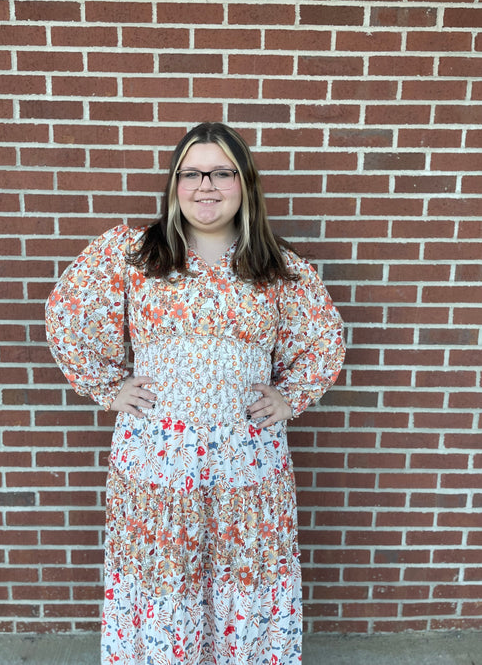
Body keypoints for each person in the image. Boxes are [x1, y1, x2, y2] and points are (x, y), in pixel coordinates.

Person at [45, 122, 345, 665]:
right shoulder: (133, 256)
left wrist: (291, 397)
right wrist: (108, 388)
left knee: (241, 583)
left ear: (245, 183)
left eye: (222, 172)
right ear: (174, 183)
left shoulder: (278, 268)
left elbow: (323, 340)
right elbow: (68, 316)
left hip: (246, 465)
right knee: (167, 582)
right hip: (156, 463)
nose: (206, 185)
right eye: (192, 172)